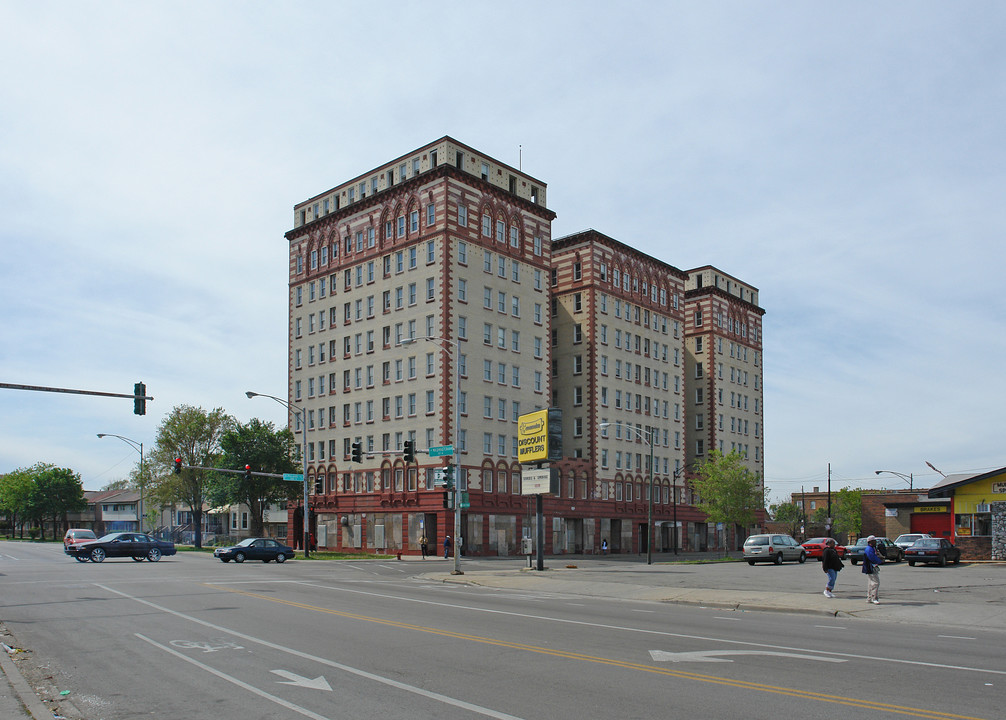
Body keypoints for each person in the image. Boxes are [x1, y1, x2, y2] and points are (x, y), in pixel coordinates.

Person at [863, 535, 884, 604]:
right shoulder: (869, 549)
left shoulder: (872, 548)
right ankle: (874, 598)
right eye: (874, 541)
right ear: (870, 542)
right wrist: (879, 561)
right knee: (875, 583)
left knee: (870, 583)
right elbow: (872, 558)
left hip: (870, 568)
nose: (875, 542)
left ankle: (869, 597)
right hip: (871, 567)